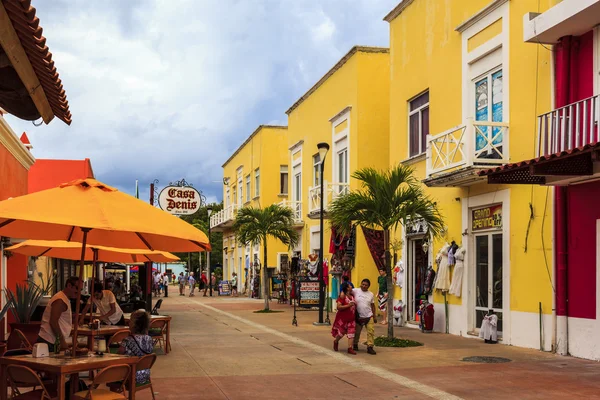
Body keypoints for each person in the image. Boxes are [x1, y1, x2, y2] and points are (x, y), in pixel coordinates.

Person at [37, 276, 81, 352]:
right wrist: (62, 341)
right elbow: (53, 322)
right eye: (77, 288)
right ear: (69, 285)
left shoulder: (64, 298)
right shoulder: (60, 300)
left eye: (81, 289)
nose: (79, 292)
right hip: (49, 341)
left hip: (52, 340)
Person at [118, 310, 154, 384]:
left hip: (129, 376)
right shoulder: (149, 339)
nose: (128, 322)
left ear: (134, 324)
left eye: (130, 320)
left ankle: (93, 389)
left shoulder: (127, 340)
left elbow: (118, 355)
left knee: (107, 372)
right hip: (145, 375)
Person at [352, 278, 377, 355]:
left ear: (368, 286)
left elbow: (373, 306)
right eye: (363, 284)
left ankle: (370, 347)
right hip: (359, 317)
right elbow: (347, 290)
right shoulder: (355, 291)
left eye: (366, 285)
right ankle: (355, 344)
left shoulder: (371, 294)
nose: (364, 286)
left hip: (369, 316)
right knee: (357, 332)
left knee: (371, 332)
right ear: (361, 284)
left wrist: (374, 316)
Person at [331, 283, 357, 354]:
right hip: (343, 318)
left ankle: (350, 348)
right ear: (347, 288)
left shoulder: (352, 296)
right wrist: (348, 305)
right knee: (341, 333)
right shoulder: (342, 297)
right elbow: (339, 307)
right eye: (350, 286)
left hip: (351, 318)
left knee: (351, 333)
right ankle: (336, 341)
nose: (351, 287)